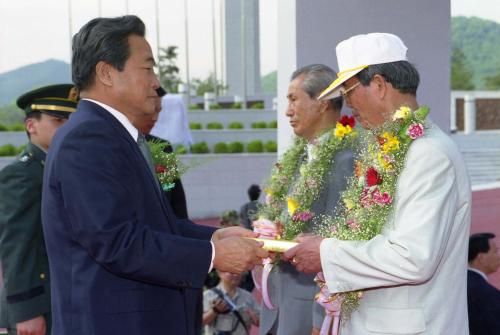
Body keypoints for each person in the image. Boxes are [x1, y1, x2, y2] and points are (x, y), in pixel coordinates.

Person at [41, 15, 267, 335]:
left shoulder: (125, 139)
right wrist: (214, 255)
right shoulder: (87, 139)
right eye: (147, 68)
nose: (156, 82)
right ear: (107, 72)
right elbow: (117, 241)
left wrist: (214, 237)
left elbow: (159, 223)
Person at [284, 33, 471, 335]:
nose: (346, 106)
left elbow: (413, 258)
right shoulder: (384, 149)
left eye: (348, 92)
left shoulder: (428, 154)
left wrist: (326, 252)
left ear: (380, 85)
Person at [259, 64, 354, 335]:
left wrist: (320, 319)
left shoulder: (344, 160)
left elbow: (337, 244)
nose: (287, 111)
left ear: (323, 103)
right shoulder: (297, 157)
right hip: (277, 309)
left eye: (293, 99)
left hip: (309, 316)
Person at [0, 84, 77, 335]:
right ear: (31, 126)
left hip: (71, 295)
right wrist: (27, 310)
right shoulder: (23, 174)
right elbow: (17, 245)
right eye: (58, 120)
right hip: (44, 303)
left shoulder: (160, 148)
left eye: (71, 120)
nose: (68, 127)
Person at [202, 270, 259, 335]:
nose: (235, 275)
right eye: (231, 272)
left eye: (239, 272)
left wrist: (254, 317)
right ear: (219, 273)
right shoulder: (207, 295)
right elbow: (197, 323)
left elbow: (261, 322)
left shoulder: (248, 297)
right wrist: (214, 311)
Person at [467, 232, 500, 334]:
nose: (498, 256)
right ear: (481, 257)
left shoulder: (461, 284)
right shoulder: (486, 293)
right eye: (495, 252)